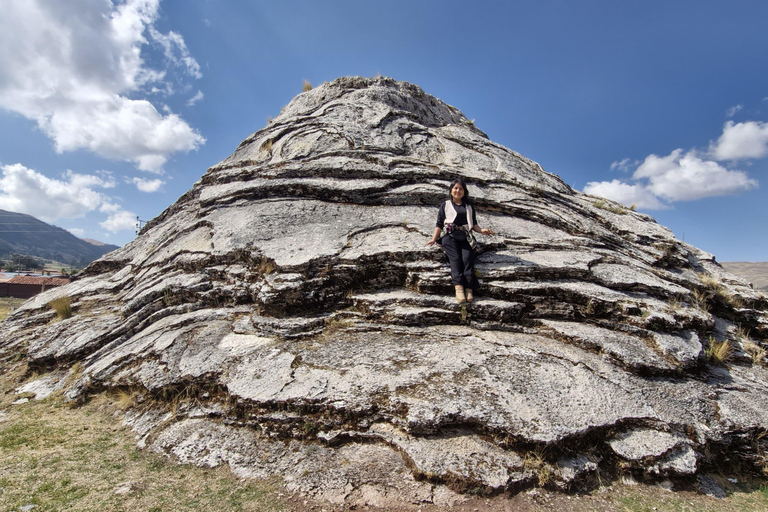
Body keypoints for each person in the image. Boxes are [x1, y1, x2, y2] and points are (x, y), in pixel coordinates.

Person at [425, 180, 495, 303]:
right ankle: (459, 288)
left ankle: (469, 289)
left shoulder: (468, 206)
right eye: (455, 188)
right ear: (451, 190)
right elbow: (439, 224)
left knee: (468, 259)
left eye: (461, 189)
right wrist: (434, 239)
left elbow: (473, 225)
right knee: (456, 259)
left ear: (464, 191)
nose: (458, 191)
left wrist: (482, 230)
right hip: (449, 236)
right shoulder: (445, 205)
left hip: (465, 237)